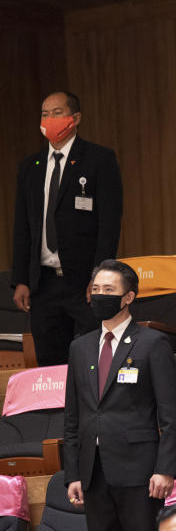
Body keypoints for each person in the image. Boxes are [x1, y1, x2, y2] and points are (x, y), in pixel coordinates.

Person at [63, 260, 176, 531]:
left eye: (109, 290)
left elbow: (171, 415)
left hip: (140, 471)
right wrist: (73, 473)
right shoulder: (79, 348)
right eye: (96, 290)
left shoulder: (152, 343)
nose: (100, 296)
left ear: (128, 297)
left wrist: (165, 468)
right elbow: (74, 417)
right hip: (94, 471)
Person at [11, 91, 123, 366]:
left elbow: (109, 224)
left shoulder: (99, 159)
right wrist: (21, 279)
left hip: (83, 282)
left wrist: (100, 277)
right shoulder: (30, 167)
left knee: (92, 362)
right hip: (44, 283)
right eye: (44, 114)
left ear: (76, 118)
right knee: (50, 365)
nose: (49, 119)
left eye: (57, 112)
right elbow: (23, 227)